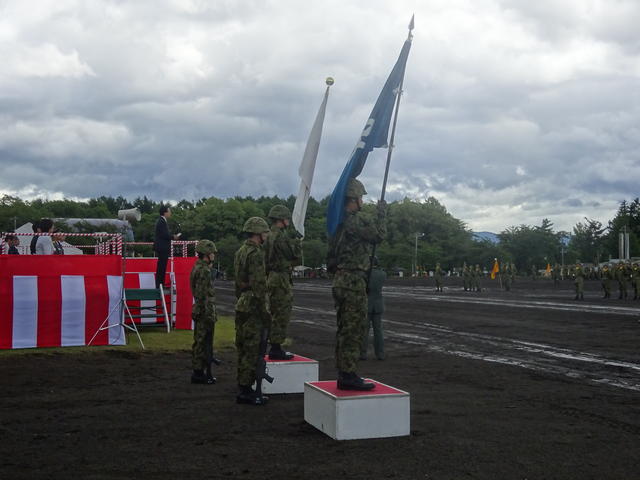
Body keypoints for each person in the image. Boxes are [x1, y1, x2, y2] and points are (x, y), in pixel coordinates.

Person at [329, 178, 386, 391]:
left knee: (345, 328)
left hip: (342, 280)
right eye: (361, 197)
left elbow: (331, 258)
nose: (363, 201)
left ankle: (345, 371)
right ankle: (348, 374)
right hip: (353, 280)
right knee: (354, 329)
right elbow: (379, 236)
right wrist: (381, 214)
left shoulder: (339, 224)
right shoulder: (355, 221)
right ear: (354, 199)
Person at [234, 216, 271, 405]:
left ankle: (243, 385)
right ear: (257, 233)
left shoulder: (241, 251)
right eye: (264, 232)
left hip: (242, 302)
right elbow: (259, 285)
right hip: (253, 305)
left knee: (242, 347)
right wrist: (265, 311)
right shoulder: (256, 253)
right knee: (252, 348)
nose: (266, 235)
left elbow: (237, 283)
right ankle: (246, 390)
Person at [264, 204, 301, 360]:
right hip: (280, 279)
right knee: (281, 313)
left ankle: (271, 344)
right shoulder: (281, 236)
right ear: (281, 219)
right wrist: (298, 243)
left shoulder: (267, 235)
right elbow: (294, 257)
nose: (288, 221)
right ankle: (276, 347)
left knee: (272, 312)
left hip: (271, 277)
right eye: (286, 218)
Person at [190, 240, 218, 385]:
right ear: (207, 254)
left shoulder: (197, 267)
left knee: (199, 341)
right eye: (212, 253)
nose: (214, 255)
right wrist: (206, 312)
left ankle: (198, 371)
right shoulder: (204, 271)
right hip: (205, 310)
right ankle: (200, 373)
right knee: (204, 342)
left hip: (200, 308)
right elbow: (202, 294)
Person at [360, 256, 386, 361]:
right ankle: (380, 354)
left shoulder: (364, 274)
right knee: (378, 331)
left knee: (364, 331)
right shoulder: (382, 274)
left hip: (366, 304)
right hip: (378, 304)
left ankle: (362, 353)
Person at [154, 205, 180, 288]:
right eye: (169, 211)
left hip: (162, 247)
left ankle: (161, 284)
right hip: (162, 247)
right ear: (165, 212)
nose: (170, 213)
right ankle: (160, 285)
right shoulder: (161, 221)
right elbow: (164, 235)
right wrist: (173, 237)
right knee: (162, 267)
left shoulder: (161, 221)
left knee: (162, 266)